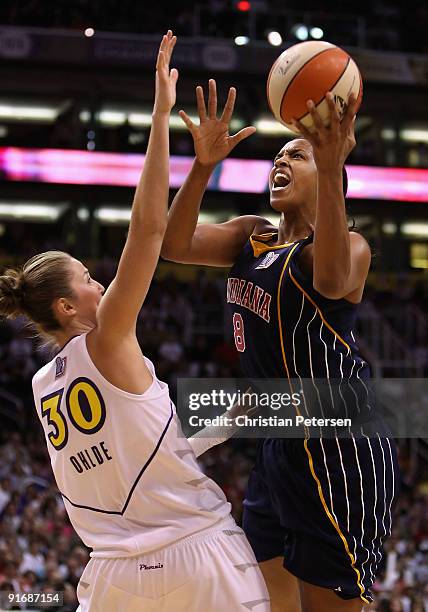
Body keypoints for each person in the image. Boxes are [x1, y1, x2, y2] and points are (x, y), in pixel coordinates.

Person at [0, 36, 269, 612]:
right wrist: (160, 115)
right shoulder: (107, 337)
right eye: (88, 281)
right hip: (197, 558)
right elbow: (148, 232)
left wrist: (224, 422)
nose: (101, 285)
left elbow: (139, 463)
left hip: (114, 578)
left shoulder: (44, 385)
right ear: (67, 309)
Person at [161, 79, 400, 612]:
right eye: (278, 156)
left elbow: (335, 281)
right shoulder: (253, 235)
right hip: (279, 443)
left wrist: (333, 166)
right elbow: (175, 244)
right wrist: (202, 166)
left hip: (341, 445)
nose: (281, 163)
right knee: (267, 602)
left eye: (298, 155)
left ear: (332, 173)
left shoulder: (349, 247)